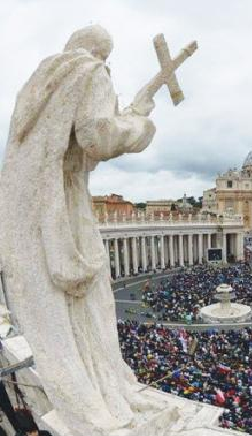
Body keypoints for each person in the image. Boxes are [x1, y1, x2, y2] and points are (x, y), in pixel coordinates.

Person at [0, 26, 168, 436]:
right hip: (64, 204)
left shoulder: (39, 84)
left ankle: (91, 392)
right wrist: (139, 121)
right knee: (94, 304)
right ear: (102, 54)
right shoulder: (90, 71)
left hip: (26, 208)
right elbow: (96, 136)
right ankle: (101, 395)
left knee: (63, 314)